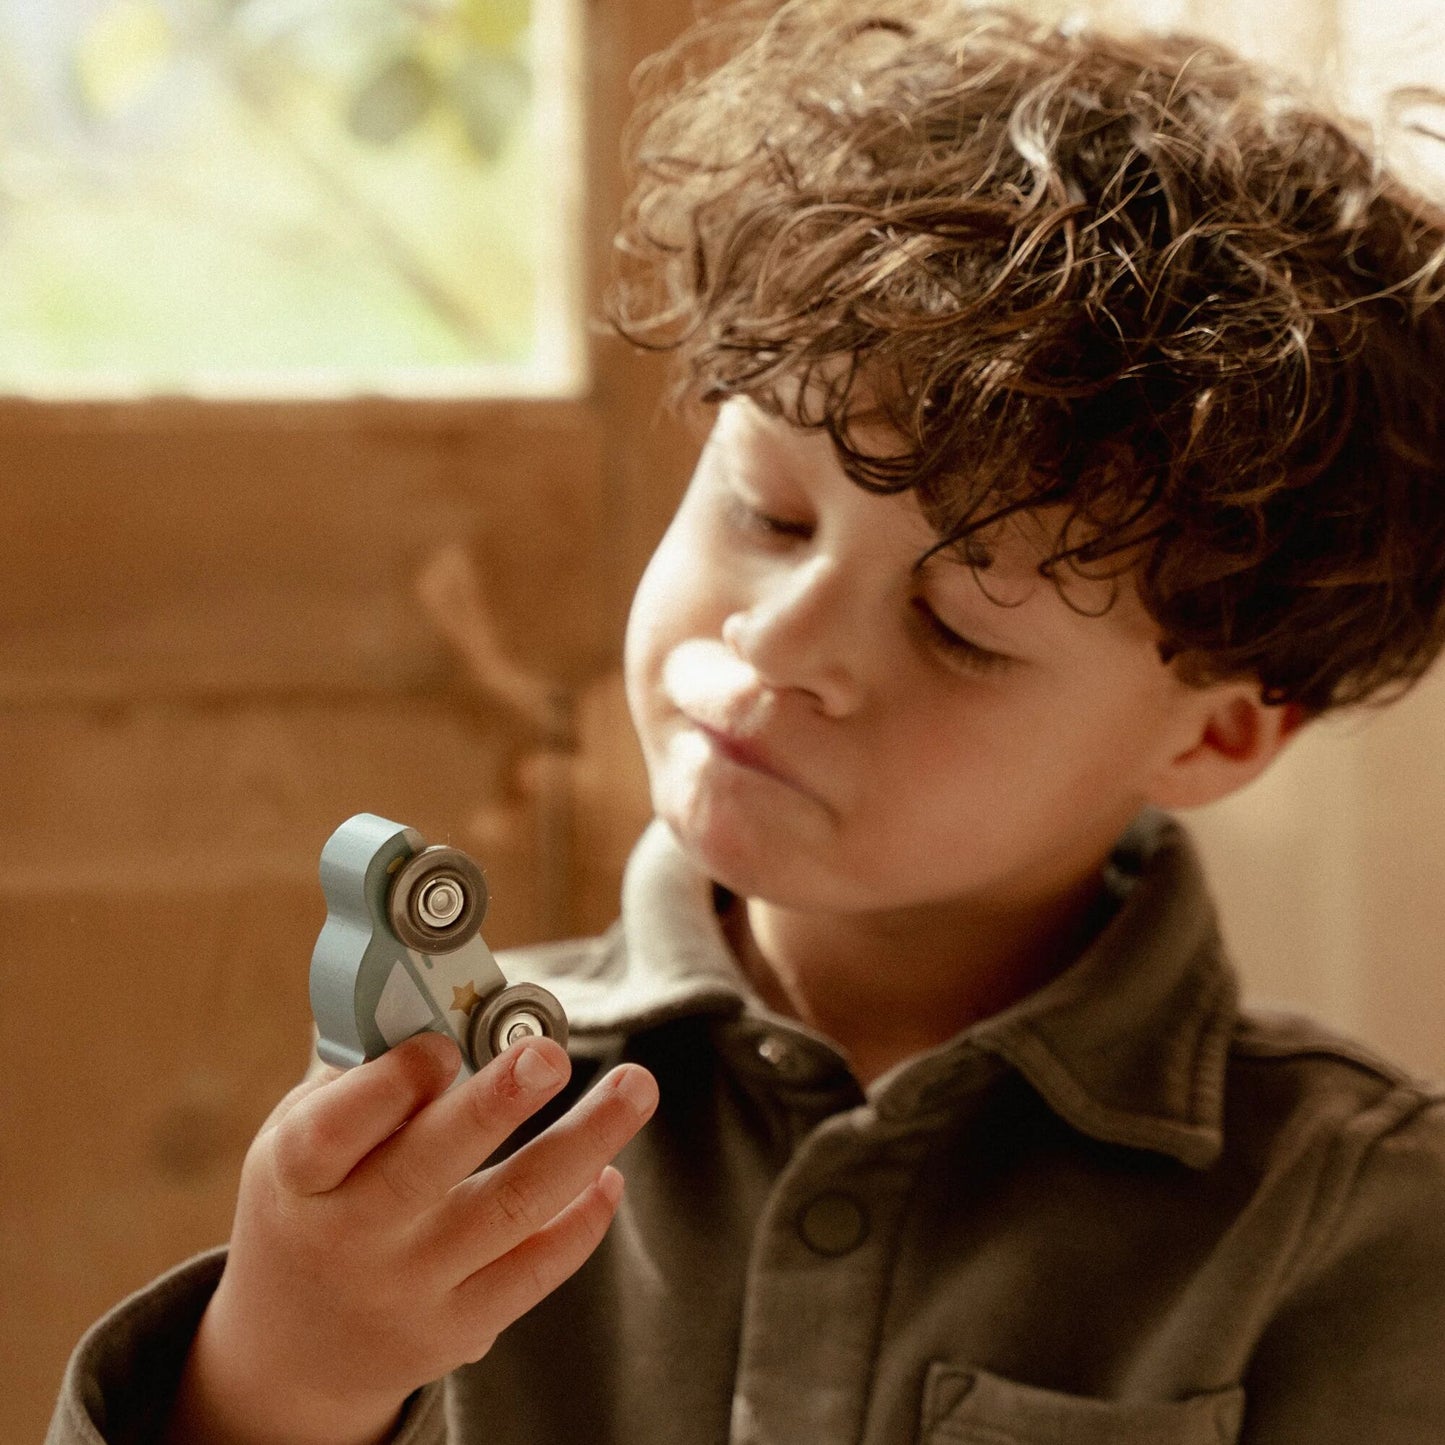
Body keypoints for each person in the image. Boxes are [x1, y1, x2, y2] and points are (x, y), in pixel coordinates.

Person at [49, 3, 1445, 1442]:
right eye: (766, 511)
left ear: (1210, 739)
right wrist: (283, 1370)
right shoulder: (462, 1112)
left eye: (957, 629)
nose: (774, 642)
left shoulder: (1358, 1222)